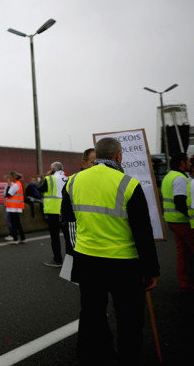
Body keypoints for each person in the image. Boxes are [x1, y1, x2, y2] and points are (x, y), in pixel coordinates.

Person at [60, 137, 159, 364]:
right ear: (118, 156)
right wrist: (151, 268)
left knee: (91, 314)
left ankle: (90, 356)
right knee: (129, 318)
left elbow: (68, 221)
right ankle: (128, 357)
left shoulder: (73, 181)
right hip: (124, 263)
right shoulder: (128, 183)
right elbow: (143, 233)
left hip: (87, 260)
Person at [161, 153, 194, 294]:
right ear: (182, 162)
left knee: (183, 253)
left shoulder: (168, 176)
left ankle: (185, 284)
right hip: (182, 221)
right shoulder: (180, 178)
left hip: (172, 220)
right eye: (187, 161)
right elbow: (180, 202)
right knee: (187, 252)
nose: (189, 163)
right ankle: (186, 283)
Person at [37, 162, 71, 267]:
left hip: (54, 210)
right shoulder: (69, 177)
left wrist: (46, 176)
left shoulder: (50, 178)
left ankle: (58, 260)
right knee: (69, 237)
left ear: (53, 169)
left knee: (55, 236)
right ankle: (71, 261)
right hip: (67, 210)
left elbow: (39, 188)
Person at [4, 172, 26, 244]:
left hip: (13, 206)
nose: (9, 179)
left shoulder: (15, 185)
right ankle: (22, 238)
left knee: (14, 223)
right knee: (17, 223)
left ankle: (15, 238)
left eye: (10, 177)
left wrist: (8, 186)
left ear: (13, 178)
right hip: (16, 206)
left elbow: (8, 194)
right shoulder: (18, 184)